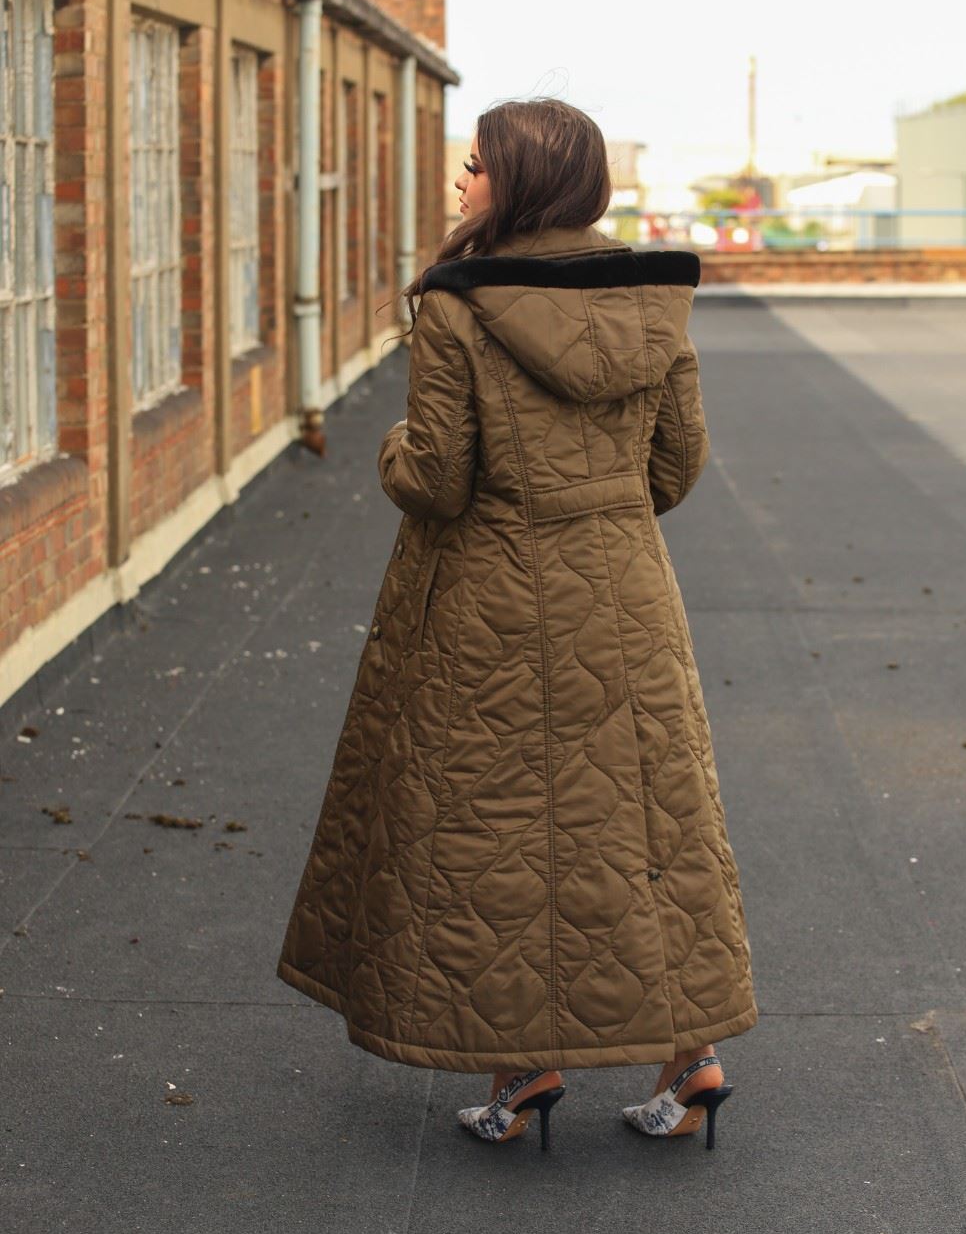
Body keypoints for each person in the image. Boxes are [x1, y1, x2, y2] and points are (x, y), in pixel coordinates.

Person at [276, 97, 758, 1154]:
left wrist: (390, 450)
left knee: (495, 840)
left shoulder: (457, 305)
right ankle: (692, 1064)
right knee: (645, 829)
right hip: (623, 593)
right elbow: (677, 466)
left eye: (477, 165)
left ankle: (523, 1075)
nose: (460, 180)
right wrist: (606, 512)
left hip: (488, 604)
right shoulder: (652, 300)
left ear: (522, 180)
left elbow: (438, 480)